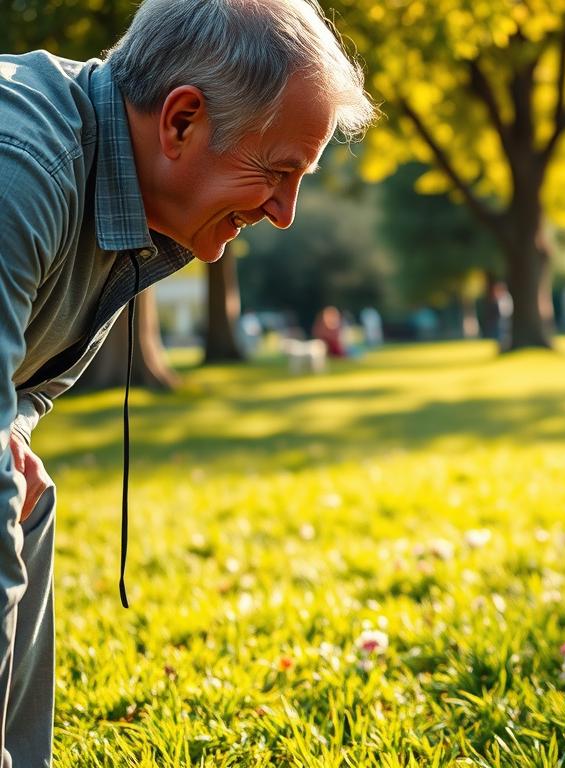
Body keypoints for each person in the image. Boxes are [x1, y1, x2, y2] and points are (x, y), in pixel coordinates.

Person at [0, 1, 374, 764]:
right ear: (181, 122)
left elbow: (27, 381)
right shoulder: (21, 169)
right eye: (277, 172)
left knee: (21, 482)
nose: (284, 212)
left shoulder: (127, 197)